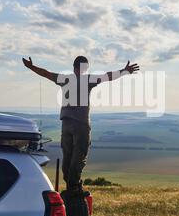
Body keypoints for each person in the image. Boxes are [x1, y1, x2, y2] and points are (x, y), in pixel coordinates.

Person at [23, 56, 140, 194]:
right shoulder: (87, 80)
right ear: (84, 68)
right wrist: (124, 71)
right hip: (81, 124)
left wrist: (31, 67)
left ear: (74, 67)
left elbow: (46, 73)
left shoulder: (65, 79)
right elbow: (107, 76)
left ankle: (70, 186)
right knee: (79, 155)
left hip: (66, 124)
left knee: (67, 156)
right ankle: (74, 187)